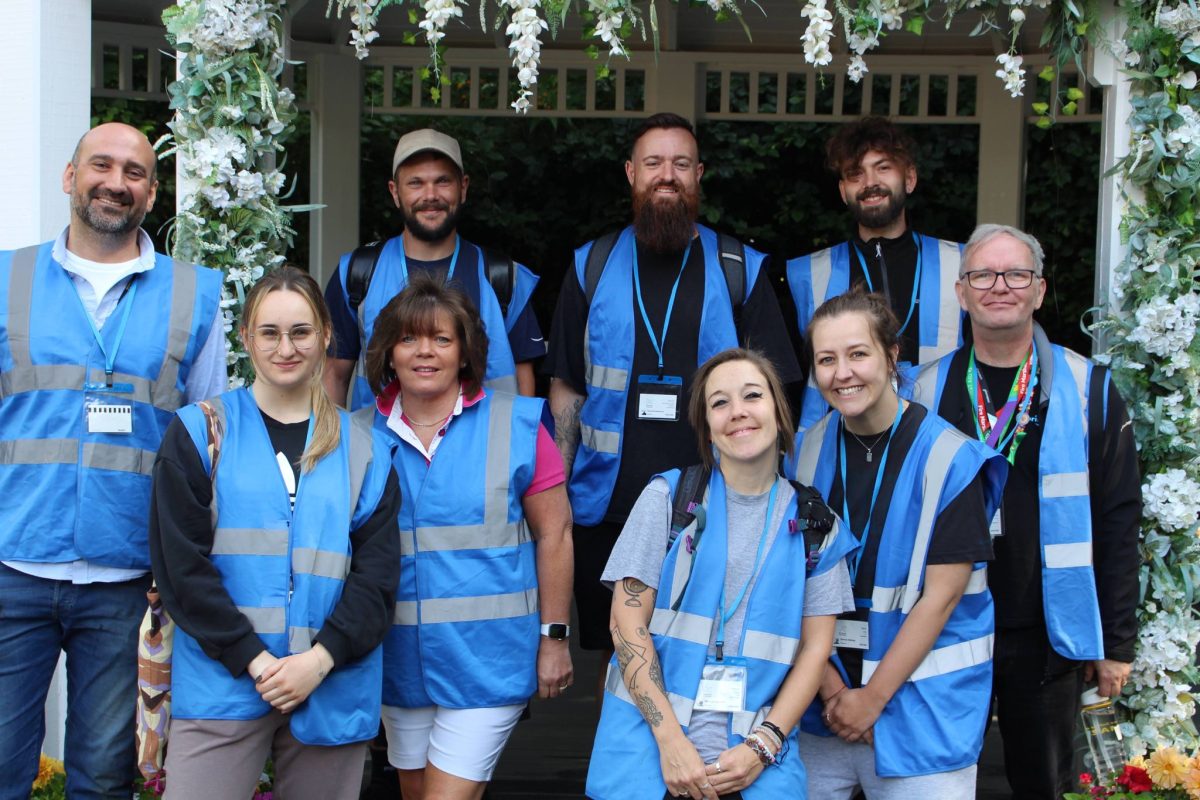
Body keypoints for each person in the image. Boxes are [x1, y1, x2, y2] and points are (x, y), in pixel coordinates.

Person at [0, 122, 226, 800]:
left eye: (134, 172)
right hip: (11, 566)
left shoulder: (195, 294)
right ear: (71, 177)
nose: (116, 181)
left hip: (128, 580)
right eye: (102, 165)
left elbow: (208, 448)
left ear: (152, 194)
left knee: (104, 777)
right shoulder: (7, 277)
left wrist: (182, 565)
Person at [546, 112, 802, 673]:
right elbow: (566, 387)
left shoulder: (740, 268)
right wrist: (557, 493)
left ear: (699, 174)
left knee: (705, 654)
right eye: (654, 163)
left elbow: (778, 392)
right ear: (631, 173)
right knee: (617, 660)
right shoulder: (590, 266)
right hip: (606, 507)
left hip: (717, 505)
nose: (668, 175)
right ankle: (627, 762)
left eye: (681, 164)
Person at [905, 224, 1141, 800]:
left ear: (1038, 291)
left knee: (1042, 785)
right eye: (983, 275)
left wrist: (1115, 644)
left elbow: (1118, 517)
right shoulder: (924, 390)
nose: (999, 287)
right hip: (946, 625)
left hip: (1046, 633)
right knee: (936, 782)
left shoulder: (1090, 387)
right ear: (961, 293)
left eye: (1016, 275)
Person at [147, 266, 401, 799]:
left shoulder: (364, 448)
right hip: (225, 680)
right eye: (269, 332)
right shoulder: (201, 431)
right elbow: (181, 569)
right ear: (245, 338)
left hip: (330, 683)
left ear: (327, 335)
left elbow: (377, 579)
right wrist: (255, 660)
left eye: (301, 331)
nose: (285, 347)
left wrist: (320, 659)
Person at [586, 348, 855, 800]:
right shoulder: (667, 498)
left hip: (755, 766)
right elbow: (625, 623)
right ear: (706, 426)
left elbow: (815, 650)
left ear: (779, 412)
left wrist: (763, 746)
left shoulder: (818, 525)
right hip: (648, 757)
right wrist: (672, 744)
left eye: (752, 395)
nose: (738, 413)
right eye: (719, 403)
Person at [789, 287, 1005, 797]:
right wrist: (837, 691)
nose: (842, 373)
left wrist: (871, 700)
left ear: (892, 356)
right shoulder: (800, 453)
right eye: (826, 360)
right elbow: (786, 580)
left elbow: (943, 597)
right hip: (822, 704)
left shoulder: (952, 459)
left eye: (858, 354)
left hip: (923, 714)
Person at [365, 274, 573, 800]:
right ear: (389, 352)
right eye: (409, 339)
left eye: (441, 339)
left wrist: (555, 638)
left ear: (465, 352)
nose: (424, 352)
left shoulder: (520, 424)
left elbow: (556, 534)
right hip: (394, 661)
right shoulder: (354, 434)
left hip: (490, 661)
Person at [323, 128, 544, 409]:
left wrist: (522, 449)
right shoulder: (357, 273)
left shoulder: (502, 277)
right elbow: (333, 375)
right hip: (381, 449)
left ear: (463, 187)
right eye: (415, 183)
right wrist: (335, 450)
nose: (430, 195)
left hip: (481, 449)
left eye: (442, 181)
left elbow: (525, 384)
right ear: (395, 192)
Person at [786, 117, 965, 429]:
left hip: (939, 439)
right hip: (834, 448)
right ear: (843, 191)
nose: (869, 183)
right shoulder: (805, 273)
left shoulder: (961, 264)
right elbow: (786, 380)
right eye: (855, 174)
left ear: (909, 178)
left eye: (883, 168)